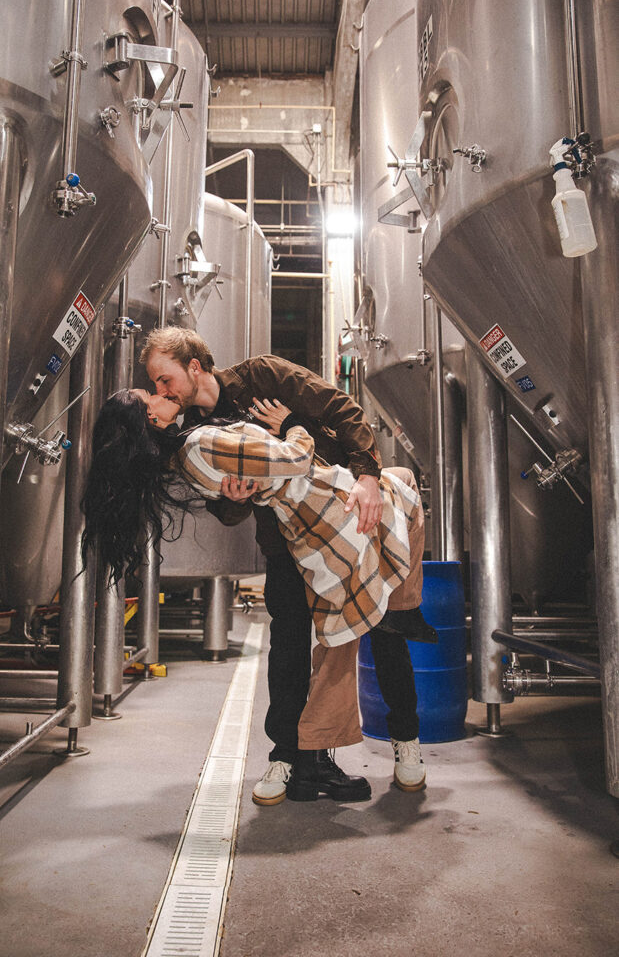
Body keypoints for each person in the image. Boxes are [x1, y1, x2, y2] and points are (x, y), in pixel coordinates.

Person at [138, 328, 434, 803]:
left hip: (347, 514)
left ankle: (406, 741)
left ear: (194, 366)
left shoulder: (262, 376)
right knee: (288, 646)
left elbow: (342, 409)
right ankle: (286, 757)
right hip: (286, 543)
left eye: (164, 379)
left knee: (386, 627)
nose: (161, 391)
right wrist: (236, 499)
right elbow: (225, 511)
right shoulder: (195, 432)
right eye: (156, 385)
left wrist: (367, 477)